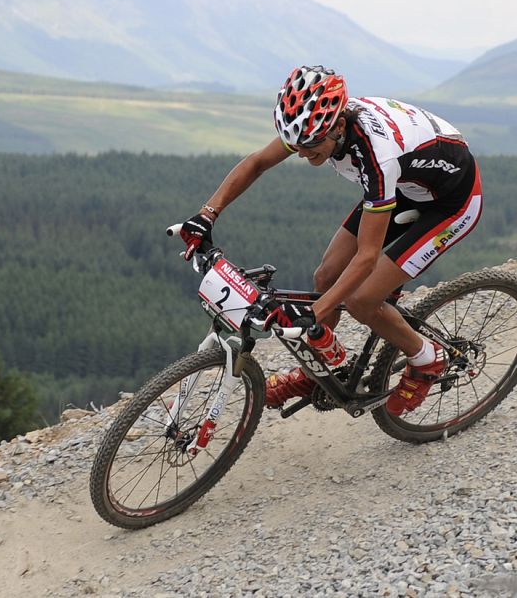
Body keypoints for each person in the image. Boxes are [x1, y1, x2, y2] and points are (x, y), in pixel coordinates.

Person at [176, 65, 483, 416]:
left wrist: (314, 316)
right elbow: (258, 162)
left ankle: (427, 358)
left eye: (310, 146)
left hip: (451, 204)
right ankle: (319, 372)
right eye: (297, 146)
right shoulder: (315, 127)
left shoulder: (377, 155)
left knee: (360, 301)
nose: (304, 155)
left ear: (338, 125)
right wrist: (207, 214)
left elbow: (367, 258)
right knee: (326, 277)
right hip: (406, 188)